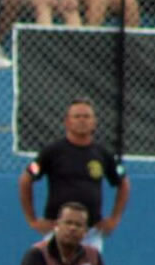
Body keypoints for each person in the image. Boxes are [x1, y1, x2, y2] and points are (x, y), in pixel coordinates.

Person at [19, 97, 130, 252]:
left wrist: (114, 219)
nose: (82, 121)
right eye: (77, 116)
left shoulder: (103, 154)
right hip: (57, 230)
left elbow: (123, 183)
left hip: (90, 232)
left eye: (86, 116)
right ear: (67, 122)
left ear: (94, 122)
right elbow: (26, 179)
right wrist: (32, 220)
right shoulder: (53, 152)